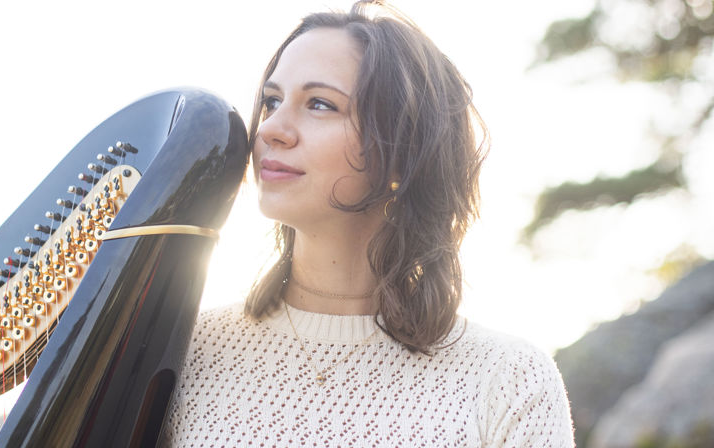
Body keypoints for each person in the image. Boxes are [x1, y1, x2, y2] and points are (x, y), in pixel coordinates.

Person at [163, 1, 574, 446]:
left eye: (320, 104)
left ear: (402, 150)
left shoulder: (507, 379)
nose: (271, 130)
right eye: (271, 101)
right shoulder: (186, 354)